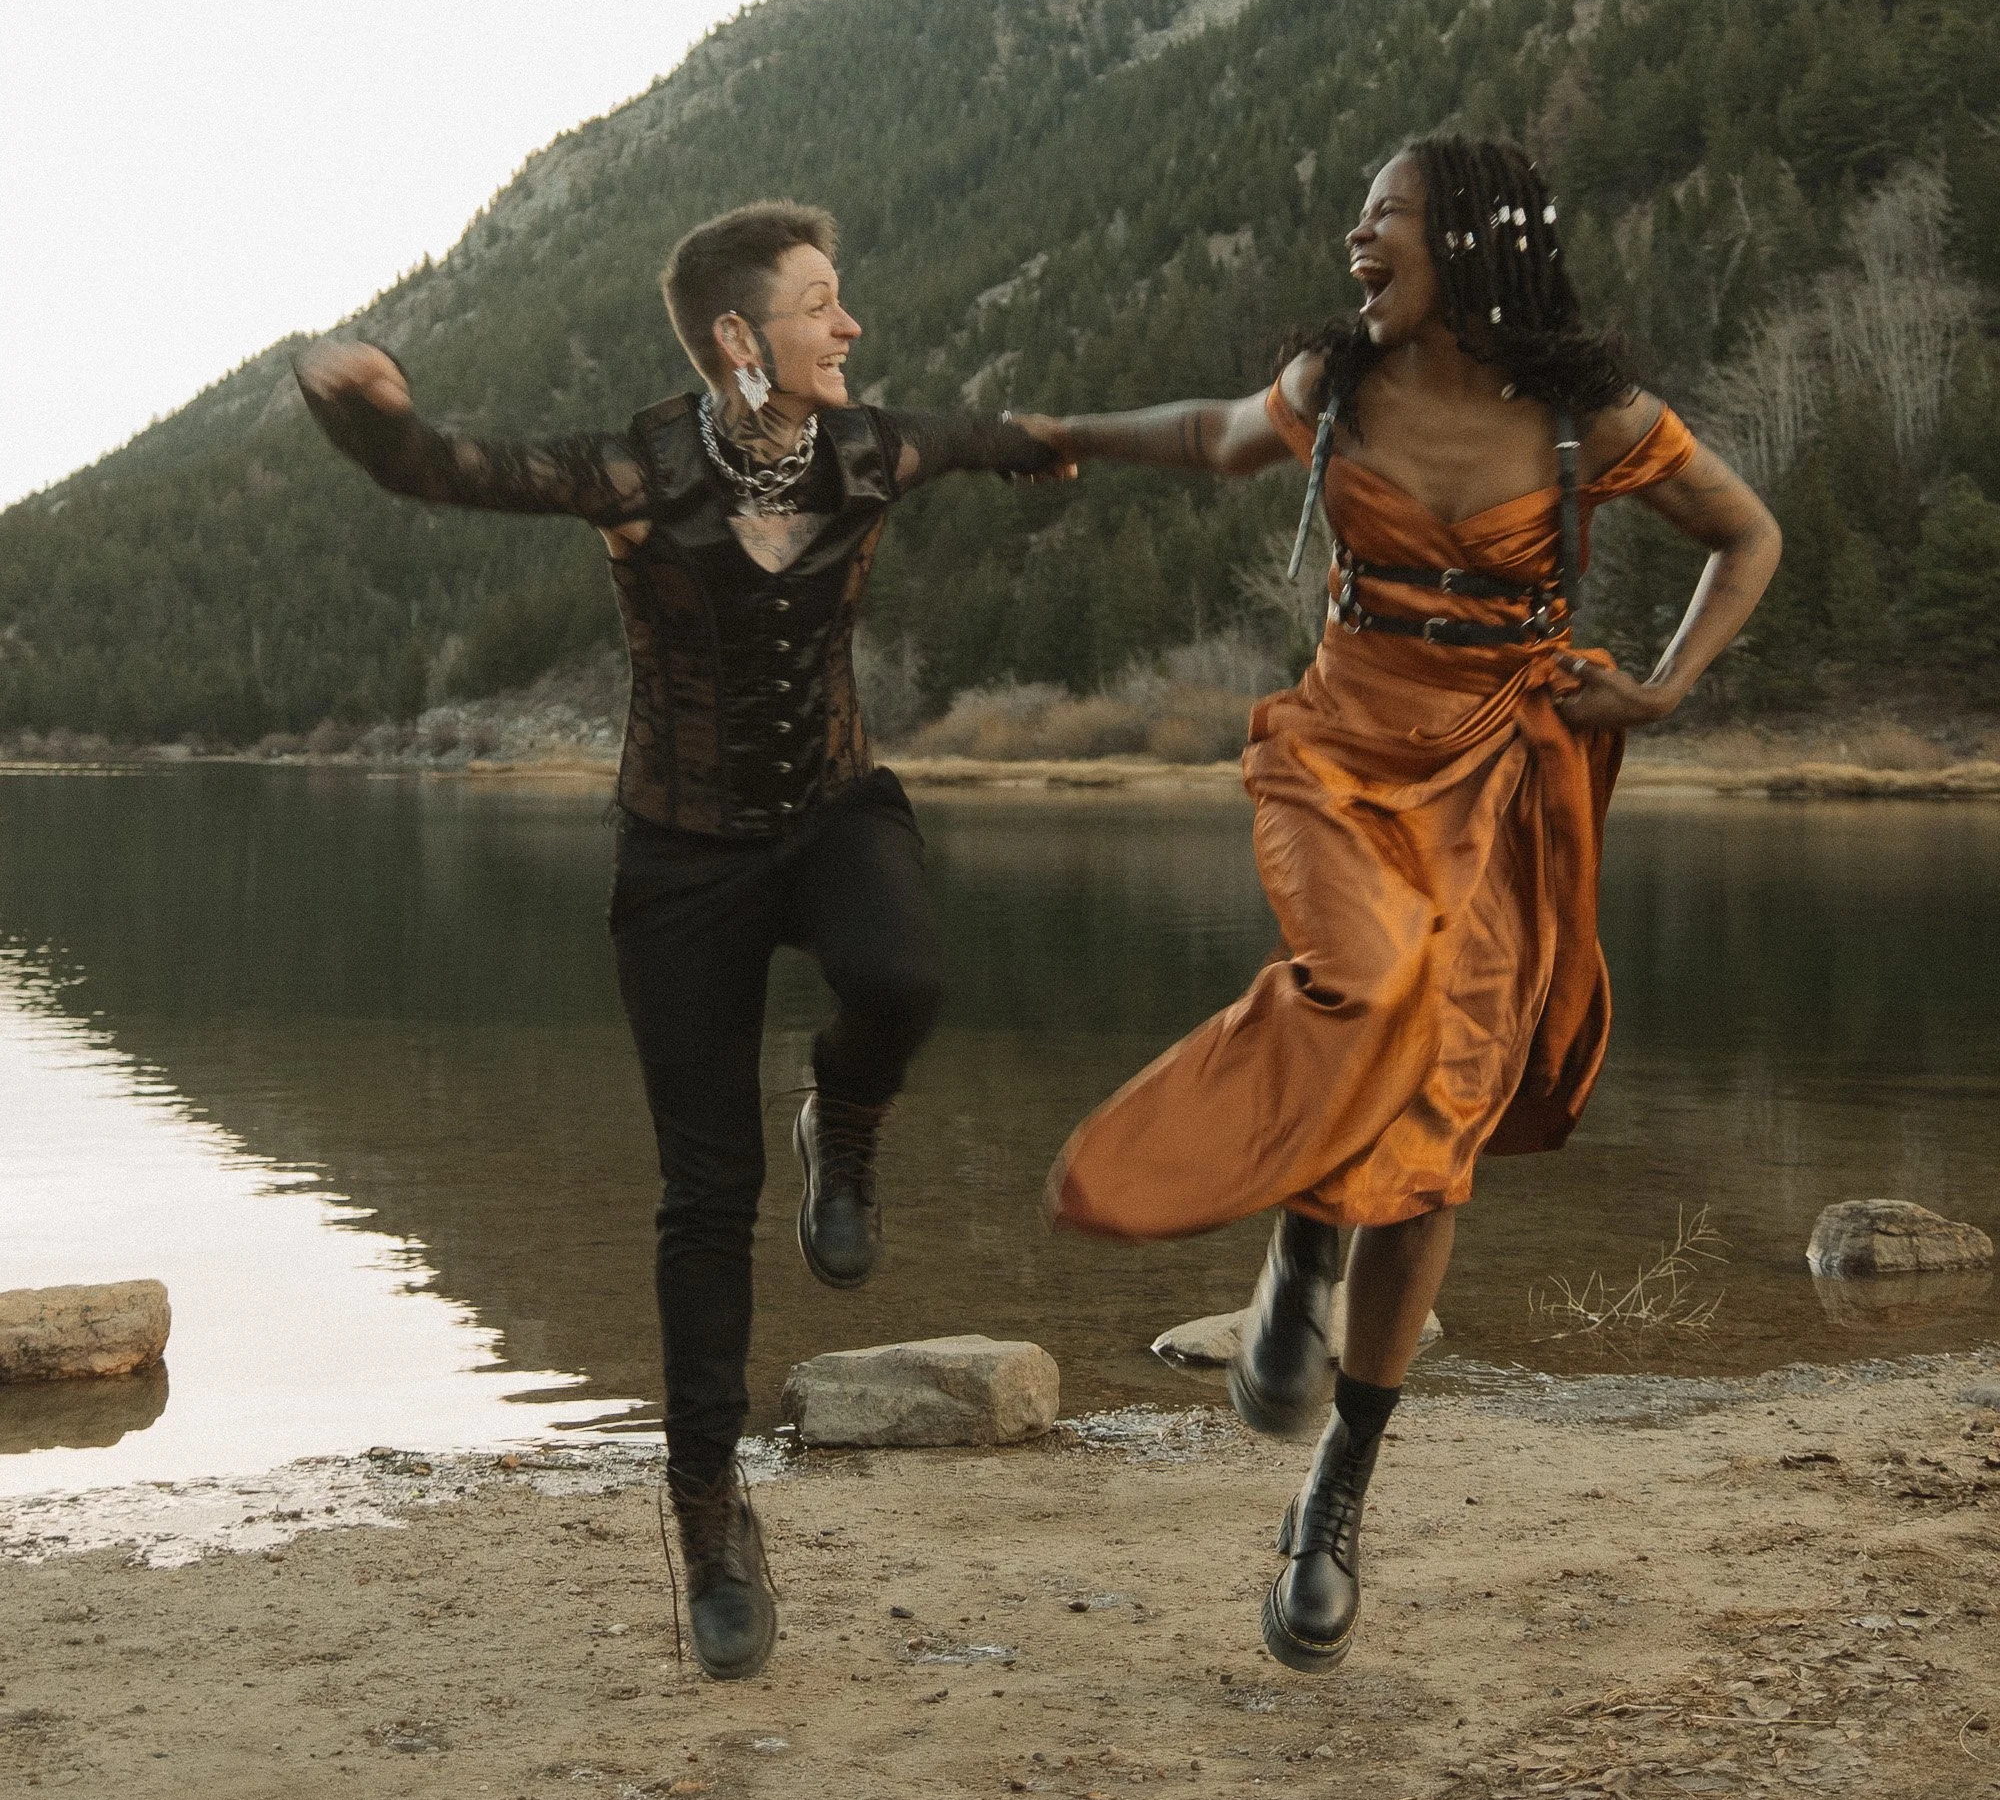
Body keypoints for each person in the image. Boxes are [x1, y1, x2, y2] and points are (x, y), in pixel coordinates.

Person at [1014, 136, 1780, 1675]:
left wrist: (1661, 693)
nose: (1356, 235)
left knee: (1433, 1143)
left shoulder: (1588, 416)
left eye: (1387, 215)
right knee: (1367, 982)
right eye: (1359, 214)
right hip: (1343, 750)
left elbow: (1747, 534)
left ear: (1473, 241)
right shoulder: (1336, 385)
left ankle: (1333, 1502)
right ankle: (1301, 1240)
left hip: (1506, 771)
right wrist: (1065, 434)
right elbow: (1218, 433)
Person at [296, 201, 1065, 1680]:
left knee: (903, 976)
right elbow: (450, 470)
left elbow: (1014, 434)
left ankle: (843, 1124)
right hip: (682, 855)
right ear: (737, 337)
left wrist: (1219, 427)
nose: (851, 329)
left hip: (837, 809)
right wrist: (368, 410)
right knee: (703, 1196)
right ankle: (709, 1507)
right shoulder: (632, 473)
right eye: (823, 305)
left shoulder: (870, 449)